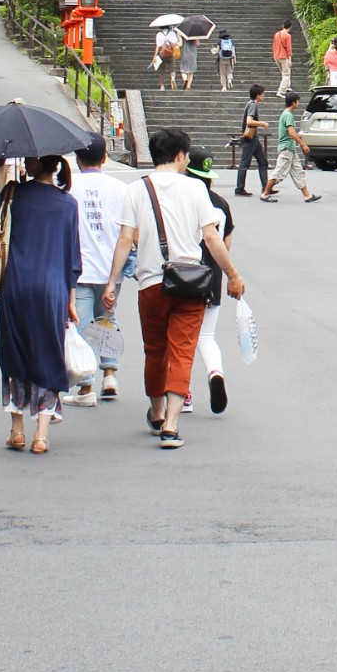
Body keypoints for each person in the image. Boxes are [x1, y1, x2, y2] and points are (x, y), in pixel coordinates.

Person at [102, 127, 245, 449]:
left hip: (151, 283)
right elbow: (212, 237)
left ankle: (156, 411)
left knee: (154, 351)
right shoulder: (196, 190)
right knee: (182, 352)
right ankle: (172, 425)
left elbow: (125, 240)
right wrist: (233, 275)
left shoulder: (136, 190)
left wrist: (112, 283)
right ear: (181, 155)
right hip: (190, 283)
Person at [0, 154, 80, 454]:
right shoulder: (69, 204)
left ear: (36, 164)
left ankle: (17, 429)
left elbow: (0, 227)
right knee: (48, 355)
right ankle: (41, 435)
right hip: (52, 290)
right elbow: (73, 259)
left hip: (15, 286)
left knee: (14, 354)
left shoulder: (15, 194)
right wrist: (70, 301)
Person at [70, 136, 128, 404]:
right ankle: (110, 373)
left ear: (77, 158)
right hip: (111, 270)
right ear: (105, 157)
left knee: (81, 324)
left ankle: (85, 385)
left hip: (80, 269)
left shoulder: (69, 188)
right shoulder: (120, 188)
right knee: (107, 319)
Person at [183, 152, 231, 415]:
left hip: (185, 276)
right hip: (212, 276)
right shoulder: (221, 204)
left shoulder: (185, 202)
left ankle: (184, 395)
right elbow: (226, 245)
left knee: (181, 339)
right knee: (207, 336)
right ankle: (215, 373)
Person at [272, 92, 320, 205]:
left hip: (290, 149)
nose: (299, 103)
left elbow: (291, 133)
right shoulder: (288, 115)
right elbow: (291, 132)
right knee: (279, 172)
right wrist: (302, 144)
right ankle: (265, 192)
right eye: (298, 101)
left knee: (298, 172)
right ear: (293, 102)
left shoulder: (286, 114)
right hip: (286, 148)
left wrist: (298, 138)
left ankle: (307, 195)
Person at [232, 85, 269, 200]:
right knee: (244, 163)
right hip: (250, 138)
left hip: (253, 138)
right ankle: (239, 188)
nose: (264, 95)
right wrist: (262, 123)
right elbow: (249, 121)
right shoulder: (252, 105)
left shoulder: (250, 104)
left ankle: (266, 187)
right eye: (262, 94)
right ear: (258, 95)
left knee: (263, 162)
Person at [151, 23, 183, 92]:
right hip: (171, 54)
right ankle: (172, 79)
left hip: (162, 54)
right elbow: (175, 43)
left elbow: (158, 46)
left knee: (162, 70)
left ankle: (162, 86)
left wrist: (155, 56)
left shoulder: (159, 34)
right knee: (172, 68)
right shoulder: (172, 33)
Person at [272, 21, 293, 98]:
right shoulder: (287, 36)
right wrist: (290, 59)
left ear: (282, 26)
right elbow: (289, 48)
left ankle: (287, 86)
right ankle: (281, 91)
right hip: (284, 56)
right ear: (290, 27)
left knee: (283, 72)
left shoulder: (277, 34)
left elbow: (274, 45)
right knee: (286, 74)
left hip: (276, 55)